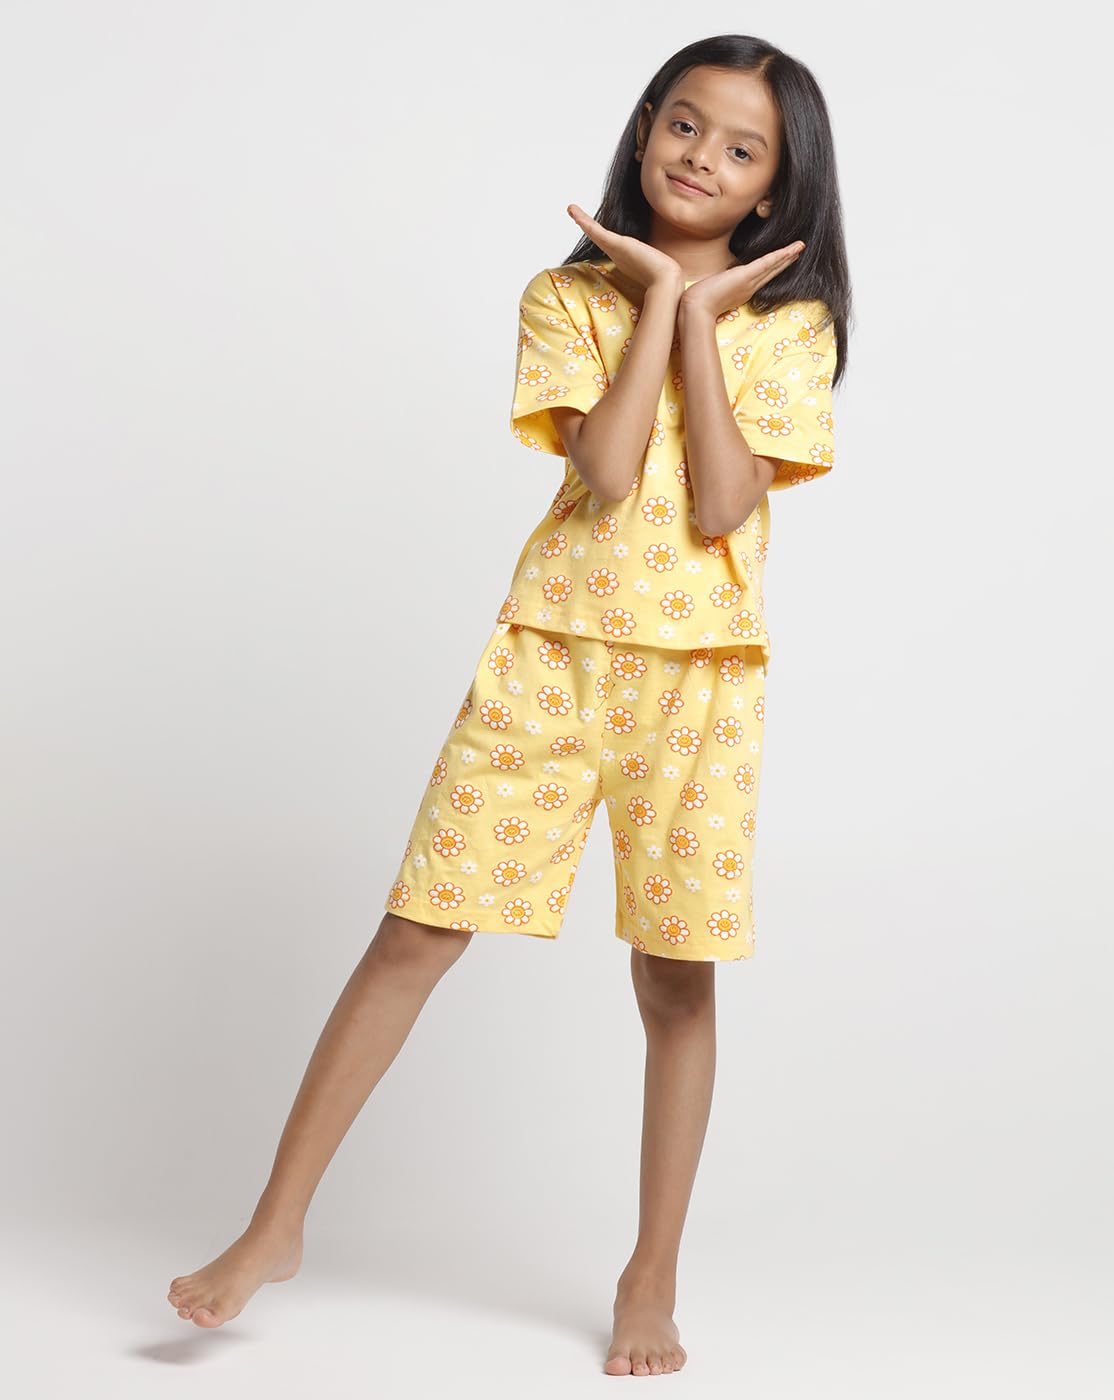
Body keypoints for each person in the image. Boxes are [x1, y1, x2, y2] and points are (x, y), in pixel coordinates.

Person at [167, 32, 851, 1379]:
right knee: (415, 931)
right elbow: (607, 472)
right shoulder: (567, 297)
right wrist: (658, 298)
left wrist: (700, 323)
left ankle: (649, 1275)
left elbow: (723, 502)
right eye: (683, 124)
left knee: (675, 977)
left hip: (699, 678)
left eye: (739, 148)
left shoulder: (790, 326)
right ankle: (274, 1226)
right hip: (549, 654)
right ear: (645, 128)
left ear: (774, 188)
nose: (700, 158)